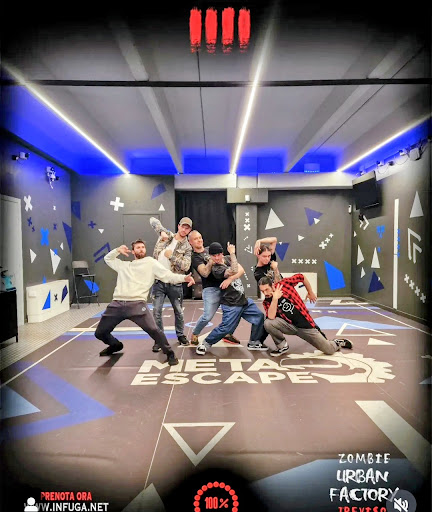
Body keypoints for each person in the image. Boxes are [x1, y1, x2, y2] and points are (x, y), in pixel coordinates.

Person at [95, 240, 195, 365]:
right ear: (133, 251)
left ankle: (170, 353)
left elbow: (168, 276)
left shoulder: (151, 263)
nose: (141, 249)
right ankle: (115, 345)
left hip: (137, 305)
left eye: (143, 247)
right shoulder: (124, 266)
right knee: (99, 333)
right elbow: (108, 259)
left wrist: (184, 278)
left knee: (154, 330)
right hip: (117, 304)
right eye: (138, 247)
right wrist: (117, 251)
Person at [196, 242, 268, 355]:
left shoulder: (228, 258)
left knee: (259, 317)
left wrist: (230, 279)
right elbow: (234, 270)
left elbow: (241, 270)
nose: (217, 258)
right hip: (231, 304)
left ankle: (254, 342)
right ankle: (205, 344)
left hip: (243, 300)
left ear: (222, 253)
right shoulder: (216, 269)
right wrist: (233, 253)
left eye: (218, 255)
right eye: (214, 256)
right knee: (226, 328)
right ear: (210, 256)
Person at [258, 275, 353, 357]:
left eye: (267, 289)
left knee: (329, 349)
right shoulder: (266, 302)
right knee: (268, 323)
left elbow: (301, 277)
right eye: (262, 291)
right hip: (290, 326)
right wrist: (275, 299)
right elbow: (271, 317)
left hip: (306, 326)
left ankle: (337, 342)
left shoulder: (285, 284)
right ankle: (282, 346)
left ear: (273, 285)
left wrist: (310, 292)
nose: (265, 293)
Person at [188, 230, 242, 346]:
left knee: (233, 312)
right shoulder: (195, 257)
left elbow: (233, 266)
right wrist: (211, 261)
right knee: (207, 316)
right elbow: (204, 273)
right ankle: (195, 333)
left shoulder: (210, 249)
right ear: (190, 242)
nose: (199, 240)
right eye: (196, 239)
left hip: (225, 287)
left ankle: (227, 333)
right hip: (211, 289)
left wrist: (227, 259)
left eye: (200, 237)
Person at [149, 216, 193, 351]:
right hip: (158, 281)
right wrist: (161, 231)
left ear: (189, 230)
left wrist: (171, 257)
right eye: (183, 226)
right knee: (156, 311)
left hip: (174, 281)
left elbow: (186, 266)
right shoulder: (167, 236)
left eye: (187, 228)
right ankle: (159, 339)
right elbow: (152, 220)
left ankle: (180, 335)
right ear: (178, 226)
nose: (184, 230)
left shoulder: (187, 247)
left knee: (178, 311)